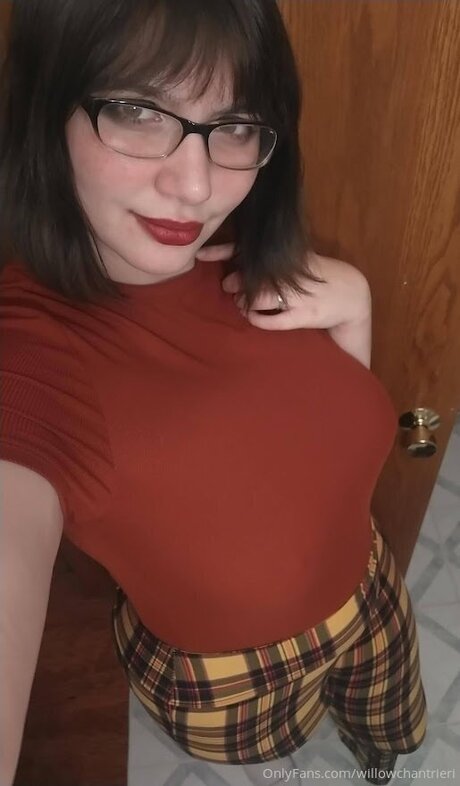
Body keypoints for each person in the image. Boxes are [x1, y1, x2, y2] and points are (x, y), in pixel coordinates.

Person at [0, 1, 427, 785]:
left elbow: (330, 438)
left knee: (392, 729)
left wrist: (357, 306)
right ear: (44, 106)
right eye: (137, 109)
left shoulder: (250, 249)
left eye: (234, 124)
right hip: (229, 675)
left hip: (371, 587)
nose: (196, 185)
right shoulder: (32, 354)